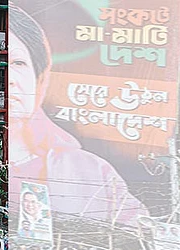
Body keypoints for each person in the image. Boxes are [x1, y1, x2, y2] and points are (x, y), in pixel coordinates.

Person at [8, 6, 149, 225]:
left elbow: (139, 236)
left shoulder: (90, 171)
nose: (8, 78)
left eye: (18, 63)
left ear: (40, 78)